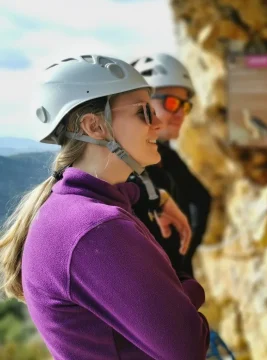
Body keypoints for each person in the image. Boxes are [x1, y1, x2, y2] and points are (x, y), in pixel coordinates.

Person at [0, 55, 209, 359]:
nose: (159, 123)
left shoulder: (68, 206)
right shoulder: (98, 229)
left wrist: (155, 197)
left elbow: (121, 193)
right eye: (144, 112)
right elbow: (188, 347)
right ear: (94, 126)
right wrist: (186, 289)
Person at [130, 53, 212, 278]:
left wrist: (181, 263)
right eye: (172, 103)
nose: (180, 115)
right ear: (141, 103)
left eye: (185, 106)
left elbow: (201, 199)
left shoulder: (164, 155)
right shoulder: (122, 167)